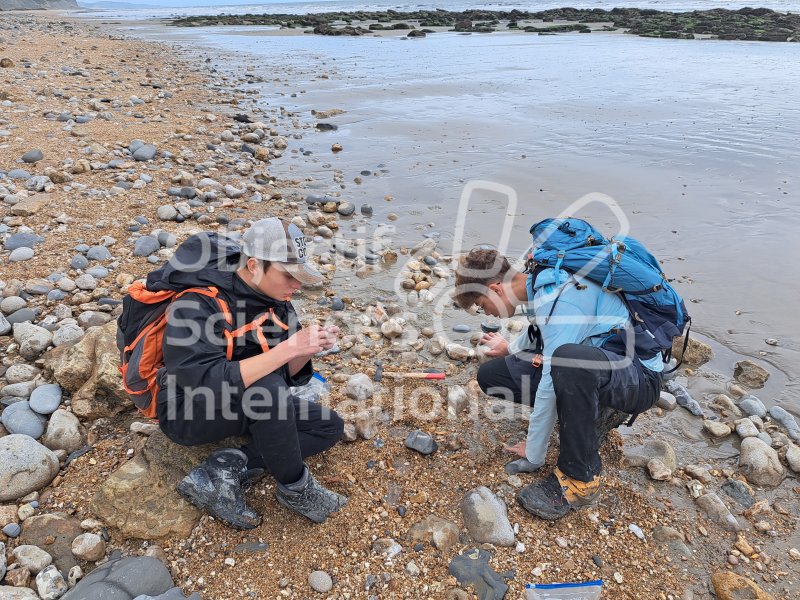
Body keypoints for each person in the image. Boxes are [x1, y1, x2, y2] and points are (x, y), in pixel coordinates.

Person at [153, 217, 346, 528]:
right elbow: (199, 380)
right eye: (288, 276)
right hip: (186, 410)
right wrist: (287, 349)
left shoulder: (277, 302)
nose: (296, 286)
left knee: (329, 426)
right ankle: (296, 490)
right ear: (255, 266)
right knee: (267, 389)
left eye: (299, 277)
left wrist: (304, 351)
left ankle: (227, 466)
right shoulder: (197, 304)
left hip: (247, 401)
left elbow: (284, 377)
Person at [453, 248, 662, 520]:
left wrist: (535, 453)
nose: (488, 314)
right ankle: (589, 411)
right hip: (598, 364)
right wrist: (510, 347)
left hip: (638, 376)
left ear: (495, 289)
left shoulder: (563, 299)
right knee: (494, 375)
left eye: (483, 306)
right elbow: (541, 326)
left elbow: (550, 379)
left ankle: (580, 479)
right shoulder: (540, 281)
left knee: (568, 361)